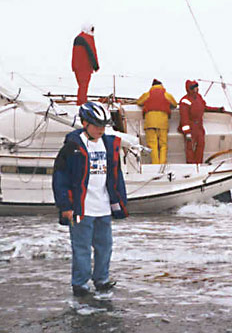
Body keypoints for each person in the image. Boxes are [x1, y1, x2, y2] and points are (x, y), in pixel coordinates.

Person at [52, 101, 128, 297]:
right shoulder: (72, 146)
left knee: (105, 246)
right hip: (80, 210)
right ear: (84, 123)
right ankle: (80, 284)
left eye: (103, 126)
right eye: (96, 125)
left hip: (103, 208)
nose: (100, 130)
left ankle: (101, 280)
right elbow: (60, 177)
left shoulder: (110, 144)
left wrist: (119, 203)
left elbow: (115, 176)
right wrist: (65, 206)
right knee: (81, 248)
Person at [178, 80, 224, 164]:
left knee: (201, 145)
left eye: (196, 87)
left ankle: (199, 163)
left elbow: (204, 107)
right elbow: (184, 118)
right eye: (194, 87)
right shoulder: (184, 101)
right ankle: (191, 165)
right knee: (190, 148)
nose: (196, 89)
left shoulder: (198, 97)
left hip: (199, 126)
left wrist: (217, 109)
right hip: (191, 127)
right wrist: (187, 132)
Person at [136, 79, 177, 164]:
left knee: (152, 145)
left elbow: (139, 102)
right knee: (163, 145)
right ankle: (162, 163)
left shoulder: (147, 94)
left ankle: (155, 164)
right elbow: (175, 104)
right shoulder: (166, 94)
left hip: (150, 123)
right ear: (161, 86)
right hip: (163, 123)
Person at [72, 23, 99, 105]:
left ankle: (81, 100)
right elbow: (91, 52)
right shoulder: (87, 38)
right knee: (84, 85)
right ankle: (81, 103)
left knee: (81, 85)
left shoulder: (78, 38)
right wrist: (95, 65)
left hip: (77, 66)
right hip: (85, 67)